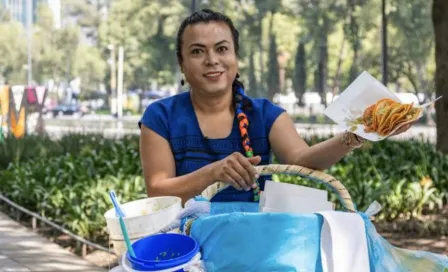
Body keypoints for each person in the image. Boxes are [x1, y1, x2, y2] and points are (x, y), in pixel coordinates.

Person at [138, 9, 411, 204]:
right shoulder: (160, 117)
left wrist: (357, 134)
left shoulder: (265, 114)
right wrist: (213, 172)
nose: (212, 60)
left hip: (256, 242)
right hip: (184, 245)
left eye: (222, 49)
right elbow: (158, 192)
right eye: (197, 51)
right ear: (181, 63)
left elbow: (303, 161)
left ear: (236, 57)